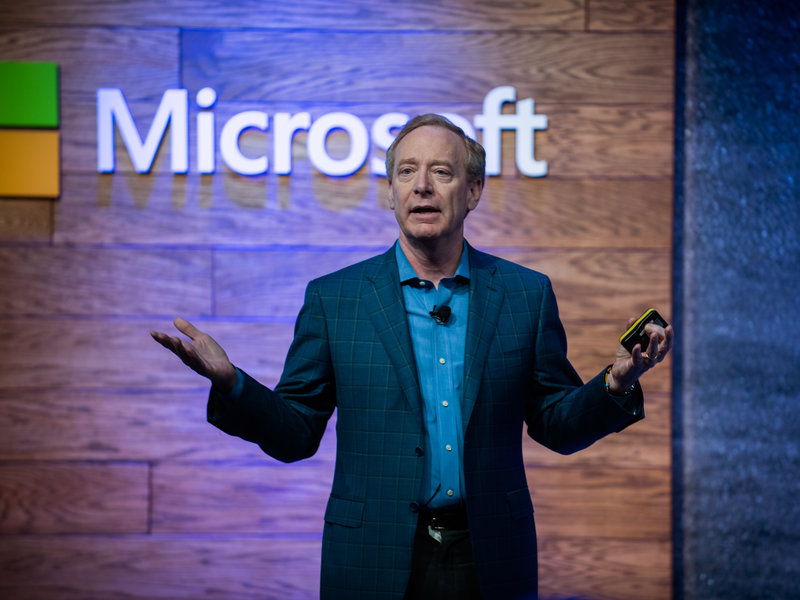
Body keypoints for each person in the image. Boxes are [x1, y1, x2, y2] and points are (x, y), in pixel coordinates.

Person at [151, 114, 673, 600]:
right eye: (407, 171)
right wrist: (232, 385)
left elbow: (556, 425)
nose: (421, 185)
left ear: (473, 191)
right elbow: (295, 434)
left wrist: (617, 383)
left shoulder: (524, 295)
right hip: (371, 559)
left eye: (441, 171)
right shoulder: (336, 300)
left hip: (491, 557)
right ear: (392, 193)